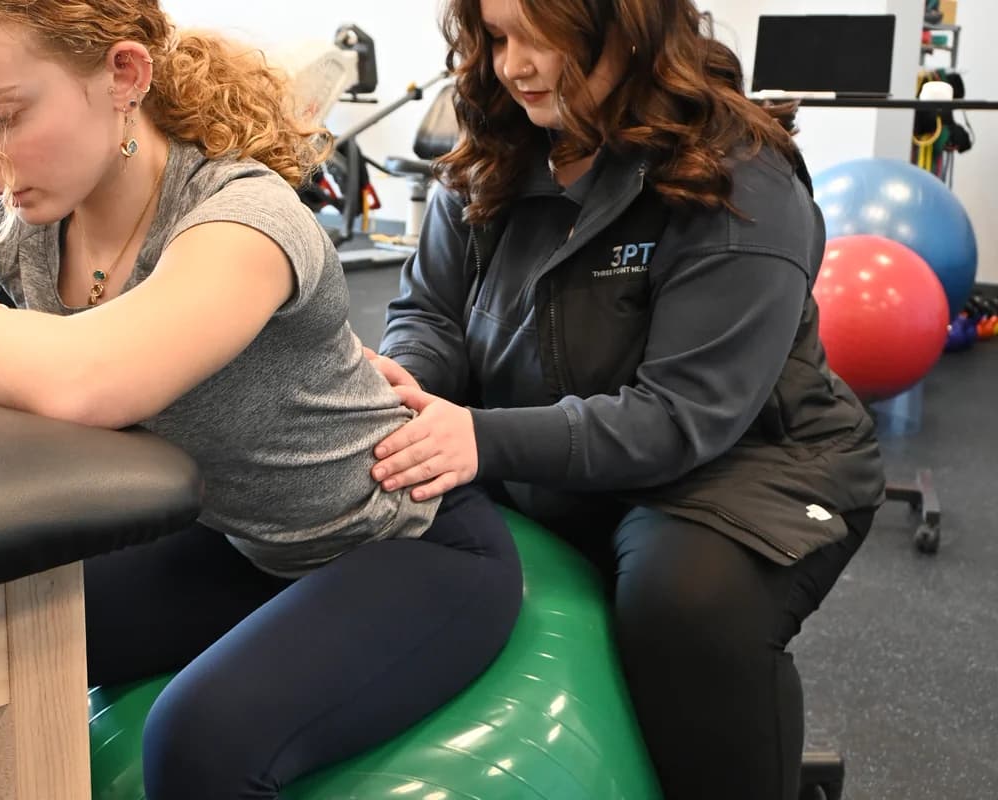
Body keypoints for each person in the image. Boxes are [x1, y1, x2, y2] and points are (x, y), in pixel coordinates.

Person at [0, 2, 524, 799]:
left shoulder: (243, 218)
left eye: (0, 115)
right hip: (238, 540)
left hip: (408, 543)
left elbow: (86, 378)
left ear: (124, 75)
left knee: (196, 741)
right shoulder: (6, 188)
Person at [366, 0, 887, 798]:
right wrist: (410, 380)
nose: (516, 65)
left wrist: (477, 437)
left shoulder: (738, 172)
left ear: (629, 26)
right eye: (500, 37)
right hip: (534, 442)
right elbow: (431, 315)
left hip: (743, 464)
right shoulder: (494, 151)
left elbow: (684, 414)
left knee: (686, 603)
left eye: (546, 37)